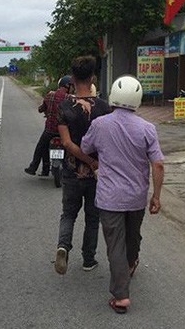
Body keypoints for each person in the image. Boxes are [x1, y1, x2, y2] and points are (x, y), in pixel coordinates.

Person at [81, 75, 164, 314]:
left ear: (113, 97)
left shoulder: (100, 124)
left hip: (109, 198)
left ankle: (121, 297)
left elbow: (86, 148)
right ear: (138, 99)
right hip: (137, 197)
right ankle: (131, 262)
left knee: (115, 245)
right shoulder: (148, 128)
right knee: (132, 235)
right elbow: (157, 165)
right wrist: (156, 196)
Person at [54, 56, 111, 275]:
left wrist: (83, 160)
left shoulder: (64, 106)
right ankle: (88, 259)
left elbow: (67, 143)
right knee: (93, 217)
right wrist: (93, 162)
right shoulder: (104, 108)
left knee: (68, 213)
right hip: (97, 174)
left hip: (71, 172)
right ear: (93, 77)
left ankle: (63, 246)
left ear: (73, 79)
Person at [25, 76, 72, 176]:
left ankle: (34, 168)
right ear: (68, 86)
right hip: (65, 131)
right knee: (72, 147)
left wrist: (45, 110)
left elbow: (41, 108)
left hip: (50, 130)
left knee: (41, 147)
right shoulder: (70, 98)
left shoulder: (50, 95)